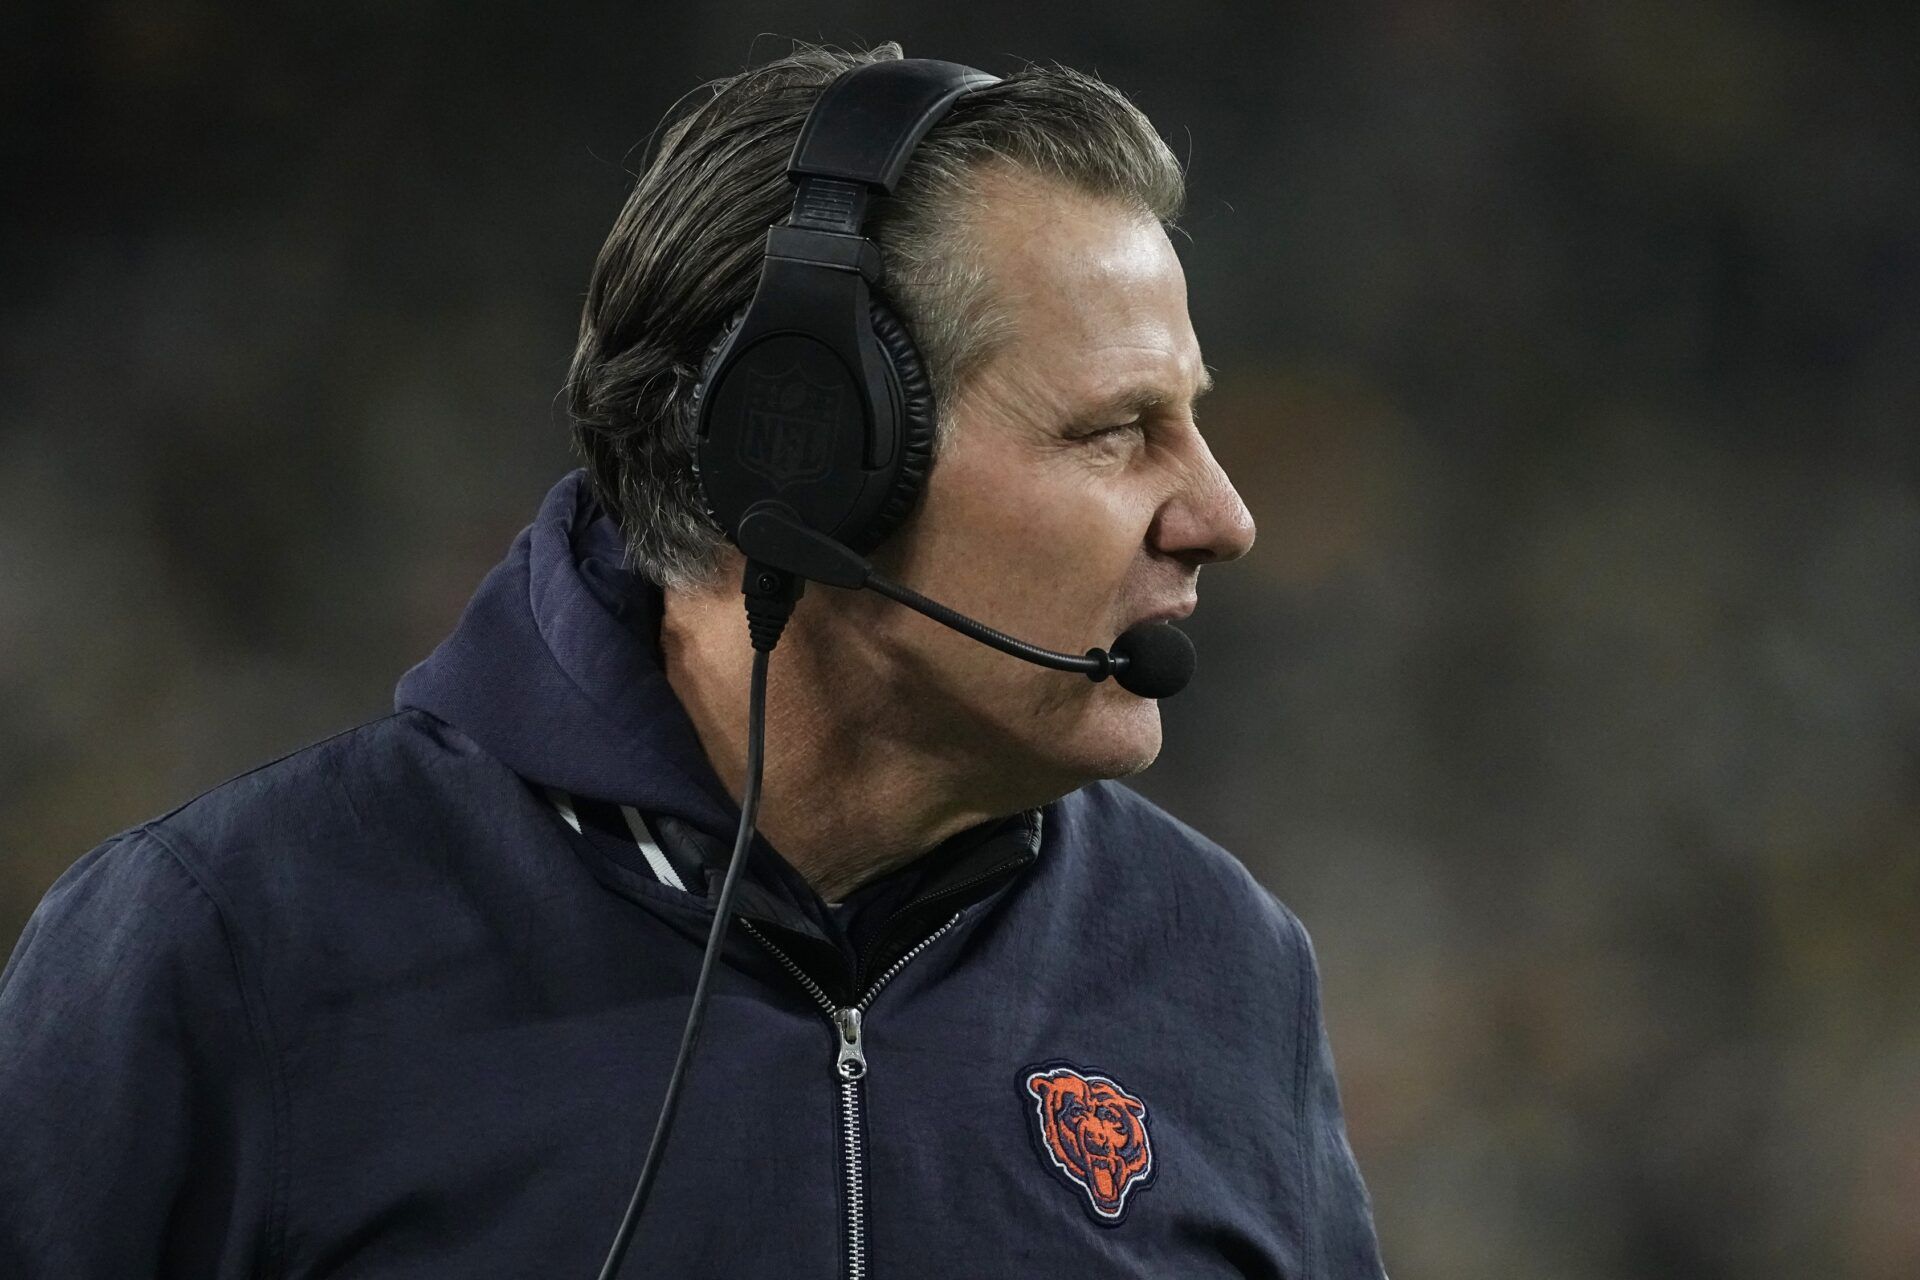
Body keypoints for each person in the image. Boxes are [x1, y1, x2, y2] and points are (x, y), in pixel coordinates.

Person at [0, 41, 1387, 1279]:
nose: (1222, 516)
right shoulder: (226, 947)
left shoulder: (1227, 969)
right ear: (800, 460)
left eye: (1189, 422)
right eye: (1113, 431)